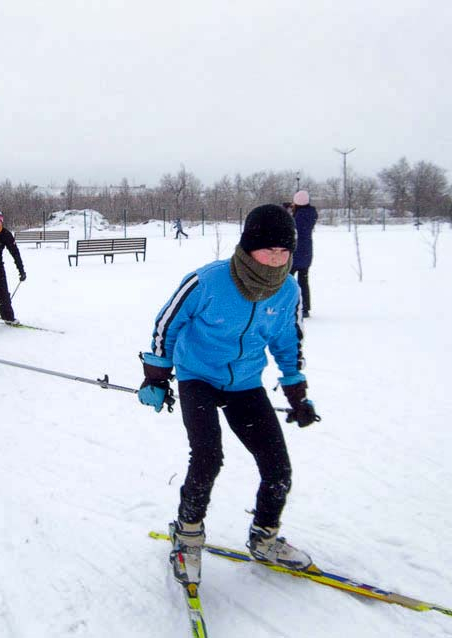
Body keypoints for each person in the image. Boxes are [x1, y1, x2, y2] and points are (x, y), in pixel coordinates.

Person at [138, 204, 318, 585]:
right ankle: (187, 537)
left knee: (277, 468)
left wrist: (297, 392)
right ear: (248, 246)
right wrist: (156, 376)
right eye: (268, 249)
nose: (276, 258)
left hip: (245, 383)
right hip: (197, 376)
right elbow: (167, 322)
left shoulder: (287, 290)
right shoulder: (209, 281)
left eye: (284, 251)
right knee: (207, 456)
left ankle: (264, 537)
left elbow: (288, 340)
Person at [290, 190, 318, 318]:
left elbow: (293, 229)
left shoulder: (298, 217)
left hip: (295, 251)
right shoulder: (311, 213)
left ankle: (289, 305)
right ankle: (305, 307)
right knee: (304, 280)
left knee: (288, 281)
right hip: (306, 251)